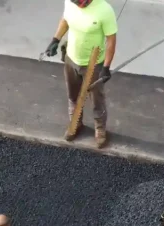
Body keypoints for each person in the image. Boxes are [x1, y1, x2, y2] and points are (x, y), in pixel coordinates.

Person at [43, 0, 118, 148]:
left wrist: (106, 67)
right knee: (73, 95)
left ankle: (100, 129)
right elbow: (66, 20)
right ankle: (75, 123)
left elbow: (111, 40)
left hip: (94, 63)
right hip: (71, 58)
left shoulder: (104, 9)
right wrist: (55, 40)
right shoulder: (70, 2)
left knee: (96, 98)